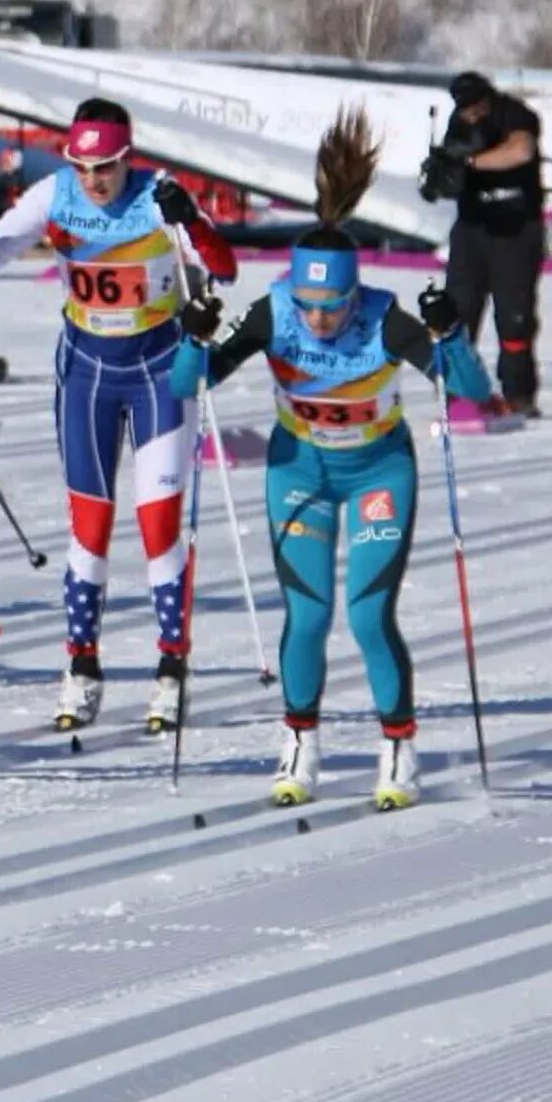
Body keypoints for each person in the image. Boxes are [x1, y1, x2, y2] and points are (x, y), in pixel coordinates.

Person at [169, 106, 493, 812]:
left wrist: (452, 334)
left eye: (333, 304)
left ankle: (399, 745)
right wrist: (190, 338)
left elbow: (471, 392)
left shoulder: (382, 316)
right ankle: (299, 743)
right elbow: (185, 387)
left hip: (380, 469)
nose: (319, 318)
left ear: (354, 291)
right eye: (311, 304)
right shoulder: (274, 310)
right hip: (300, 470)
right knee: (309, 615)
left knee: (369, 613)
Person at [0, 98, 240, 733]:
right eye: (83, 165)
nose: (94, 180)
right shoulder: (53, 195)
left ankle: (170, 668)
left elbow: (224, 269)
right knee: (89, 526)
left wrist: (196, 228)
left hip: (159, 373)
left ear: (129, 158)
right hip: (86, 373)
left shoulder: (160, 197)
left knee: (159, 529)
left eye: (107, 166)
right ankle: (82, 665)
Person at [419, 71, 547, 415]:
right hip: (473, 228)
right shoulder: (456, 122)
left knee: (514, 316)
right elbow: (451, 165)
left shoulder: (514, 113)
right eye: (464, 109)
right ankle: (461, 390)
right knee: (459, 311)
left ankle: (519, 394)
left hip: (516, 228)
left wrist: (470, 163)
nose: (471, 115)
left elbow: (521, 150)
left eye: (476, 107)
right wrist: (438, 179)